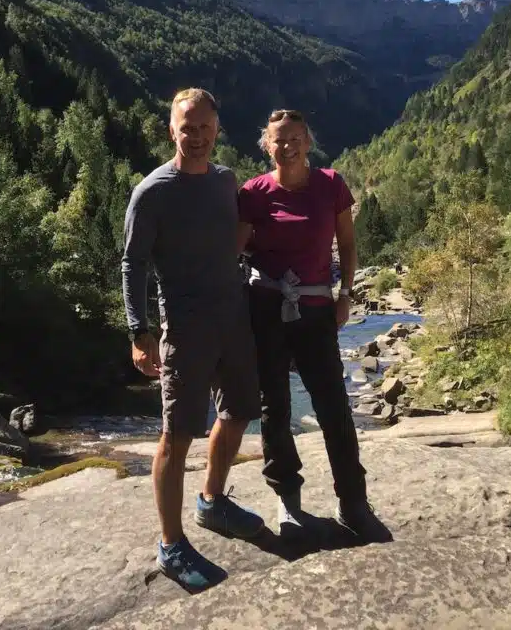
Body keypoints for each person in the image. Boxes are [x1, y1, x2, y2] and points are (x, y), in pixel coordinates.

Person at [122, 88, 264, 592]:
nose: (197, 137)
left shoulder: (226, 181)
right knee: (177, 434)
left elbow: (241, 236)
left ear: (217, 130)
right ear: (172, 130)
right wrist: (139, 333)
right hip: (184, 327)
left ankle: (212, 502)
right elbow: (132, 264)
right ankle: (170, 544)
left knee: (240, 409)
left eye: (205, 128)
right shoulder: (153, 192)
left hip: (234, 318)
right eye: (188, 128)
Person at [238, 108, 390, 543]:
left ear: (308, 141)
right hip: (265, 310)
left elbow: (347, 243)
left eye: (294, 138)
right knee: (275, 409)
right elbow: (232, 249)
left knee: (333, 407)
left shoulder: (331, 185)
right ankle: (287, 498)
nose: (285, 146)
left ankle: (353, 502)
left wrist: (346, 294)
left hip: (317, 311)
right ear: (266, 145)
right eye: (277, 140)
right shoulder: (254, 192)